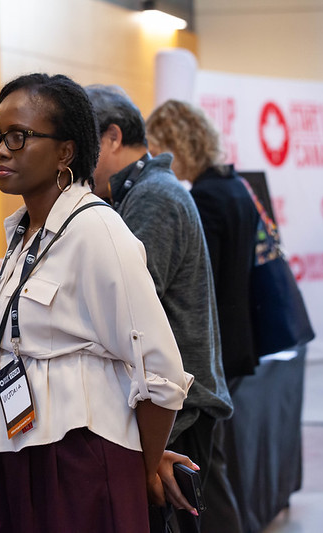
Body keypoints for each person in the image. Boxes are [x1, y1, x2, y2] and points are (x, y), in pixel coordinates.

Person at [0, 73, 192, 532]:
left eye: (18, 137)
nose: (0, 150)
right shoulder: (23, 233)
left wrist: (144, 466)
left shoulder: (97, 230)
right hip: (17, 456)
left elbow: (162, 373)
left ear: (65, 152)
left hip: (79, 465)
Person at [84, 85, 234, 531]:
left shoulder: (154, 197)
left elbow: (126, 300)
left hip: (179, 405)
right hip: (179, 398)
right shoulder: (144, 192)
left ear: (111, 137)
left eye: (81, 145)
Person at [146, 99, 260, 533]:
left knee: (207, 479)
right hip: (235, 340)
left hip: (214, 347)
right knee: (216, 471)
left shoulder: (205, 199)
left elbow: (193, 283)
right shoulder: (235, 188)